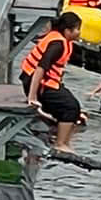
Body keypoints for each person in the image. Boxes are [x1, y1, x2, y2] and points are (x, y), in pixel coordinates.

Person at [22, 11, 83, 148]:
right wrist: (32, 97)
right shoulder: (57, 45)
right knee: (71, 107)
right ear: (67, 31)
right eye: (77, 29)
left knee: (74, 108)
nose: (79, 32)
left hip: (45, 83)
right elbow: (40, 69)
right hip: (36, 84)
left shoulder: (62, 40)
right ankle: (60, 144)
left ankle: (64, 142)